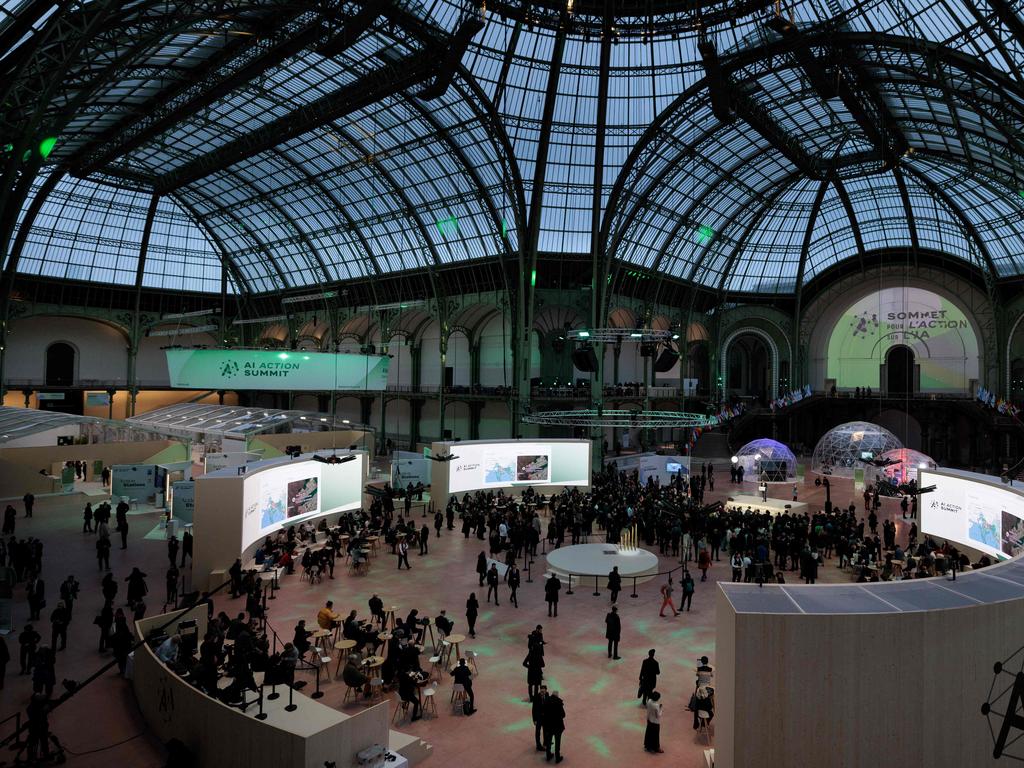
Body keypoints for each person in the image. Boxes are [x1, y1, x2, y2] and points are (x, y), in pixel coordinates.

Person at [543, 690, 565, 763]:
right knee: (557, 742)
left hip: (548, 726)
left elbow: (544, 713)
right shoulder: (559, 703)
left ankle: (548, 755)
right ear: (557, 696)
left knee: (548, 741)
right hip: (557, 726)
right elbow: (563, 715)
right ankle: (557, 757)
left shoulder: (546, 701)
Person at [532, 685, 549, 752]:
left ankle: (545, 742)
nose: (542, 692)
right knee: (538, 732)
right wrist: (534, 719)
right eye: (541, 691)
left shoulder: (547, 695)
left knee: (545, 731)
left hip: (545, 718)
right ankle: (538, 746)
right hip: (538, 718)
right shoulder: (536, 697)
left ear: (545, 691)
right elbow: (533, 709)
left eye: (543, 691)